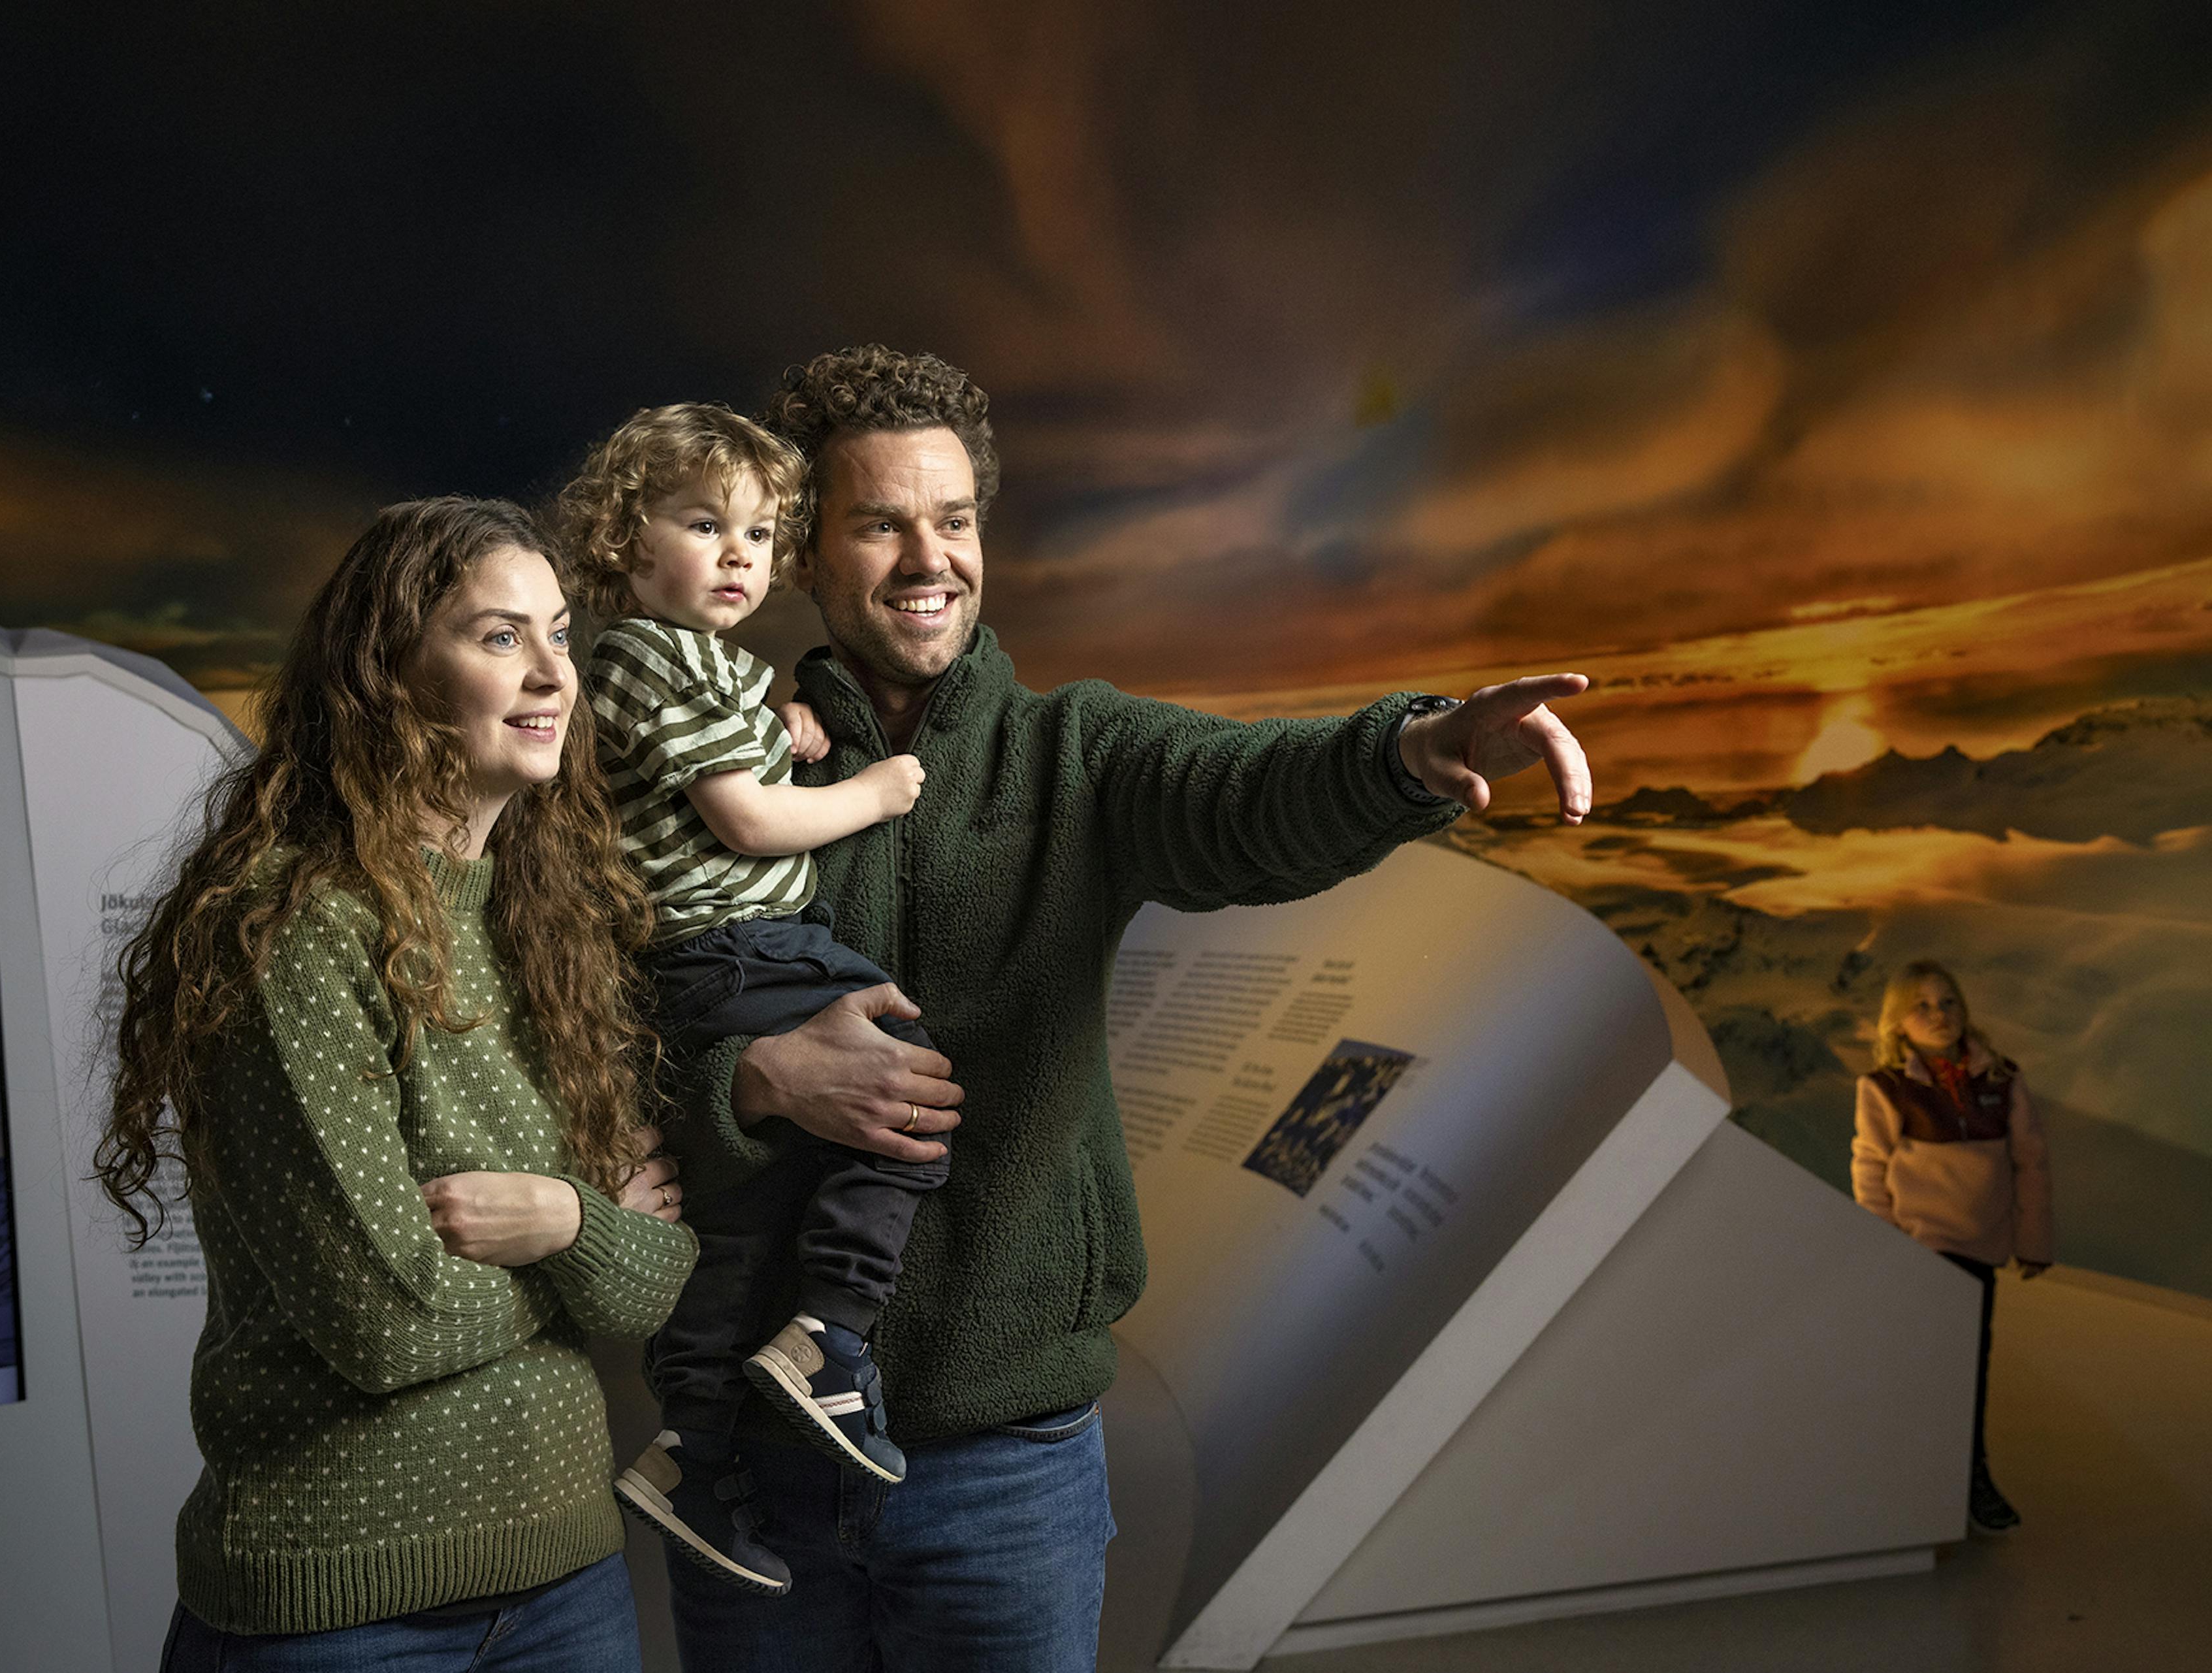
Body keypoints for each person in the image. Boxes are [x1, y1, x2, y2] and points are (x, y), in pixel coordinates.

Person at [654, 344, 1595, 1672]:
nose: (930, 555)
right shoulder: (712, 768)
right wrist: (755, 1084)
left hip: (1007, 1471)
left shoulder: (1076, 753)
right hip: (761, 1465)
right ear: (810, 552)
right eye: (879, 522)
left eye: (956, 517)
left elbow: (1244, 795)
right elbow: (614, 1032)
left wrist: (1406, 753)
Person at [94, 496, 699, 1672]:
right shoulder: (296, 928)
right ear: (388, 673)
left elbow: (656, 1284)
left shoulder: (551, 929)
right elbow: (383, 1318)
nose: (550, 675)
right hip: (340, 1613)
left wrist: (562, 1221)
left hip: (568, 1580)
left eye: (561, 634)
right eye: (496, 636)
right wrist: (602, 1238)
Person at [554, 404, 942, 1596]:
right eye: (703, 524)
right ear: (625, 541)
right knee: (914, 1090)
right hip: (735, 944)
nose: (740, 554)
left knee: (739, 1218)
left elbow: (714, 768)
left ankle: (692, 1449)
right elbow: (745, 821)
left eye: (762, 533)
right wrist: (874, 790)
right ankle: (833, 1331)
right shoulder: (639, 654)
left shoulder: (697, 663)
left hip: (717, 950)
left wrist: (780, 731)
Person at [1852, 960, 2053, 1536]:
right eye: (1923, 1005)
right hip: (1919, 1250)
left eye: (1949, 1003)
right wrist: (1884, 1248)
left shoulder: (2002, 1081)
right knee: (1923, 1371)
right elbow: (1870, 1168)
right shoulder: (1885, 1088)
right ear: (1898, 1022)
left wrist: (2033, 1241)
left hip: (1979, 1251)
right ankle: (1920, 1482)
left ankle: (1967, 1474)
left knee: (1968, 1370)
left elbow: (2032, 1163)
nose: (1939, 1015)